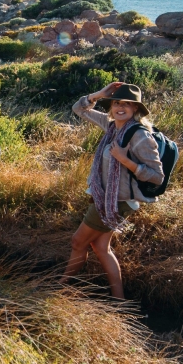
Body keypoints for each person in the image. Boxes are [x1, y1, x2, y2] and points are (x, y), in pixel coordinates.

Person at [66, 82, 164, 299]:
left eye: (127, 105)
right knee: (101, 248)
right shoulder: (111, 126)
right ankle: (119, 301)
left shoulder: (140, 136)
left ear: (136, 109)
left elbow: (157, 176)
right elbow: (78, 109)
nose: (121, 108)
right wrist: (99, 94)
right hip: (104, 197)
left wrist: (125, 160)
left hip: (118, 201)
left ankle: (61, 288)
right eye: (117, 103)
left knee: (77, 242)